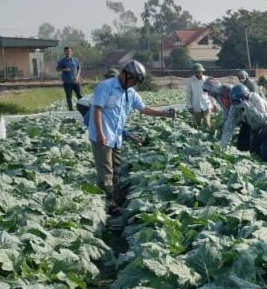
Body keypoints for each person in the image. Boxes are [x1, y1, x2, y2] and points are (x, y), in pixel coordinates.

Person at [87, 60, 176, 212]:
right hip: (103, 136)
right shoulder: (106, 87)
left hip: (116, 138)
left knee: (116, 170)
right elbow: (97, 111)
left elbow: (144, 109)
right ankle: (109, 204)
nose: (134, 84)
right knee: (106, 172)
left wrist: (165, 114)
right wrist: (101, 134)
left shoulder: (130, 93)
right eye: (133, 80)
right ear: (126, 74)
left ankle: (116, 198)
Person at [220, 83, 267, 163]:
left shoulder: (255, 98)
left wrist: (249, 108)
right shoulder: (235, 105)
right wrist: (222, 145)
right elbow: (229, 125)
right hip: (255, 123)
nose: (237, 105)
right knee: (253, 147)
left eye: (238, 102)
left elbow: (264, 119)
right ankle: (260, 164)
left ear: (245, 98)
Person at [185, 63, 213, 129]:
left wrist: (213, 104)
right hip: (196, 106)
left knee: (206, 122)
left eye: (199, 72)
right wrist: (189, 106)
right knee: (196, 125)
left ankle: (207, 136)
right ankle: (197, 137)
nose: (197, 73)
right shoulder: (191, 81)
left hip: (206, 105)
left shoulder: (207, 80)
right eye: (196, 72)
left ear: (202, 71)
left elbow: (211, 93)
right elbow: (188, 94)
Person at [56, 46, 83, 111]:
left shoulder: (75, 60)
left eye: (69, 51)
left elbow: (79, 68)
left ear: (71, 52)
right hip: (67, 82)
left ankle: (82, 108)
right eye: (67, 51)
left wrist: (77, 76)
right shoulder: (62, 61)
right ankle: (71, 109)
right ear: (64, 52)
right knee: (69, 96)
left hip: (76, 81)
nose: (68, 52)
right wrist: (64, 69)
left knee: (80, 95)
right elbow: (57, 69)